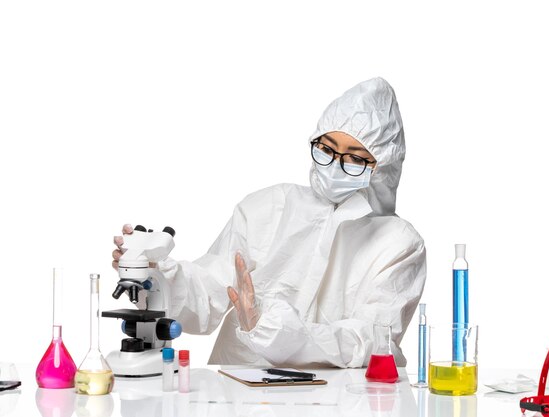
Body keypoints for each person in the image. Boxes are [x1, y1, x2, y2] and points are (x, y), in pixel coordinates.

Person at [112, 77, 426, 368]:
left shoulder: (398, 243)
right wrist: (155, 277)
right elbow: (208, 291)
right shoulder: (269, 207)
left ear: (383, 167)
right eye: (327, 149)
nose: (335, 166)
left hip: (335, 401)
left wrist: (273, 328)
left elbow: (372, 340)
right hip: (236, 392)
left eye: (356, 158)